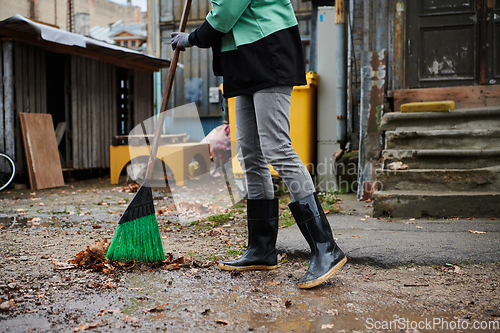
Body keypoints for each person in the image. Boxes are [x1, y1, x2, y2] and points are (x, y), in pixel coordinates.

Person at [171, 0, 346, 289]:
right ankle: (262, 249)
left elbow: (226, 13)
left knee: (276, 147)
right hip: (242, 62)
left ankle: (326, 248)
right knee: (250, 153)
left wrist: (192, 38)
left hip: (268, 54)